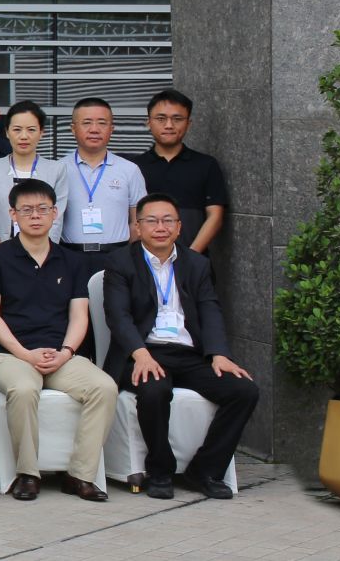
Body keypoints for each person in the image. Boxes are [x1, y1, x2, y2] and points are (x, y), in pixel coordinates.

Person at [102, 193, 256, 501]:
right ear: (138, 226)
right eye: (152, 221)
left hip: (189, 354)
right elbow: (118, 316)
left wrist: (219, 353)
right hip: (144, 352)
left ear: (179, 227)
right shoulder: (120, 263)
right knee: (154, 390)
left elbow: (210, 309)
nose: (160, 227)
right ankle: (160, 470)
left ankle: (205, 470)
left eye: (167, 220)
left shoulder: (197, 263)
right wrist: (141, 354)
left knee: (244, 391)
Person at [0, 177, 114, 502]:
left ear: (55, 213)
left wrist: (66, 352)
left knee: (104, 387)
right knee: (24, 389)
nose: (35, 216)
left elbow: (80, 316)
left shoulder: (73, 261)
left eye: (42, 209)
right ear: (13, 214)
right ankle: (28, 474)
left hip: (60, 354)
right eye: (26, 210)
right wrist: (25, 354)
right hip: (10, 355)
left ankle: (80, 475)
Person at [130, 89, 230, 255]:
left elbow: (215, 216)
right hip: (143, 263)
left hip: (194, 261)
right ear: (148, 122)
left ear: (188, 124)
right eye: (161, 119)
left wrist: (190, 258)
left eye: (177, 119)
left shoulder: (206, 165)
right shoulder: (133, 167)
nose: (169, 125)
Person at [61, 98, 148, 274]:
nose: (94, 129)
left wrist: (128, 255)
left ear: (111, 129)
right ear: (73, 129)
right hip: (69, 256)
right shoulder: (58, 169)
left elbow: (138, 221)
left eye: (102, 123)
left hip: (117, 256)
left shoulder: (129, 170)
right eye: (86, 123)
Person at [0, 101, 72, 244]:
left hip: (42, 251)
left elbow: (56, 220)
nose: (24, 136)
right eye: (17, 129)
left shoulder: (56, 170)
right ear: (7, 132)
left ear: (41, 133)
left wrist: (42, 251)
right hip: (0, 248)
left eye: (31, 130)